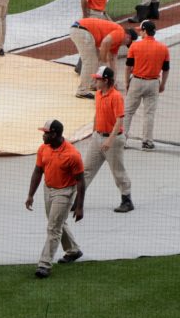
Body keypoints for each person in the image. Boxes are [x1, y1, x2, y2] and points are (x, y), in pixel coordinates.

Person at [25, 120, 85, 279]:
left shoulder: (72, 155)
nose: (43, 136)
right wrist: (30, 195)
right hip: (48, 189)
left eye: (46, 133)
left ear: (55, 134)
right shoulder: (43, 149)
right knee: (56, 223)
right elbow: (37, 172)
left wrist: (79, 206)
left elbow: (81, 181)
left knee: (53, 228)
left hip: (64, 192)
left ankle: (44, 264)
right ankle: (73, 250)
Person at [84, 67, 134, 213]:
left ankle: (127, 200)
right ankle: (77, 198)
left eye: (98, 79)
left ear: (106, 80)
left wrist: (109, 140)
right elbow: (97, 114)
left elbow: (119, 121)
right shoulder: (98, 94)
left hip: (113, 140)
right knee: (86, 170)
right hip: (97, 137)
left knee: (118, 171)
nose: (95, 81)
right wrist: (93, 133)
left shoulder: (116, 97)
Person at [124, 20, 170, 151]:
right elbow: (166, 69)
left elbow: (128, 67)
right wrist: (163, 85)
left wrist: (127, 82)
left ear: (144, 31)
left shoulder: (135, 46)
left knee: (128, 112)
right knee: (149, 113)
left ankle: (122, 140)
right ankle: (147, 142)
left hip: (137, 82)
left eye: (141, 31)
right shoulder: (163, 48)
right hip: (153, 83)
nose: (140, 33)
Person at [69, 18, 137, 99]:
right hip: (81, 30)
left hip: (81, 30)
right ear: (128, 37)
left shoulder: (116, 42)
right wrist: (103, 63)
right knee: (90, 62)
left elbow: (113, 60)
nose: (125, 45)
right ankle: (82, 91)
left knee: (95, 60)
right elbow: (105, 42)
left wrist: (113, 82)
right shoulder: (120, 33)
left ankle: (92, 84)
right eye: (127, 43)